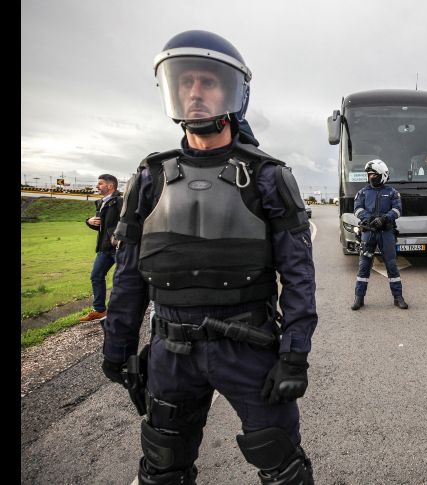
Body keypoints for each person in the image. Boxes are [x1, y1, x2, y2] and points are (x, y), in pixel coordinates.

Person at [101, 30, 317, 484]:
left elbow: (298, 276)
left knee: (281, 465)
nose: (195, 93)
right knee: (163, 466)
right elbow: (129, 275)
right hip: (170, 352)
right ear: (172, 90)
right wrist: (118, 345)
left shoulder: (268, 176)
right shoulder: (149, 176)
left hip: (249, 346)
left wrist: (294, 356)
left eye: (208, 82)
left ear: (232, 93)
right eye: (186, 82)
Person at [351, 159, 408, 310]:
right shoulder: (362, 192)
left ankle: (398, 297)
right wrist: (368, 218)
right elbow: (356, 209)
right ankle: (359, 298)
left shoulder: (392, 193)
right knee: (364, 265)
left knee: (391, 265)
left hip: (386, 232)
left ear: (382, 175)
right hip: (368, 233)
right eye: (369, 174)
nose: (370, 177)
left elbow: (397, 210)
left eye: (373, 174)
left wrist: (384, 219)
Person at [80, 174, 123, 322]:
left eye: (100, 183)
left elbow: (127, 221)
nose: (97, 186)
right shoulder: (101, 203)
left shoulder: (120, 201)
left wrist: (116, 236)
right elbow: (101, 227)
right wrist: (89, 221)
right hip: (104, 248)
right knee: (96, 276)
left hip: (119, 247)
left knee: (124, 278)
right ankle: (99, 310)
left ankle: (123, 308)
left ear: (110, 186)